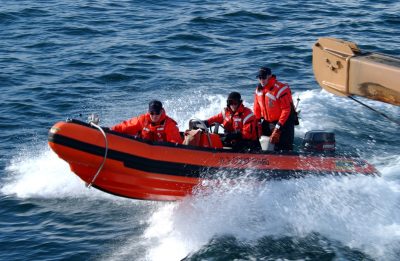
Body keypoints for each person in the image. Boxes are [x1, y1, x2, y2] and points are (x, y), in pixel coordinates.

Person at [254, 66, 297, 151]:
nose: (262, 80)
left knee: (285, 148)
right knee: (257, 141)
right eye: (259, 78)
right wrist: (258, 124)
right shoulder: (258, 90)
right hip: (267, 121)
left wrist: (277, 128)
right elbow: (257, 109)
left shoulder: (280, 89)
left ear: (269, 76)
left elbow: (286, 109)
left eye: (264, 77)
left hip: (284, 122)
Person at [111, 100, 182, 144]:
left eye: (157, 113)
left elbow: (175, 143)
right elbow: (124, 126)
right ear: (148, 112)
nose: (154, 116)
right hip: (144, 149)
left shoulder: (168, 124)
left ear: (161, 111)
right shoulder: (142, 120)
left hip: (162, 152)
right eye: (152, 113)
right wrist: (110, 131)